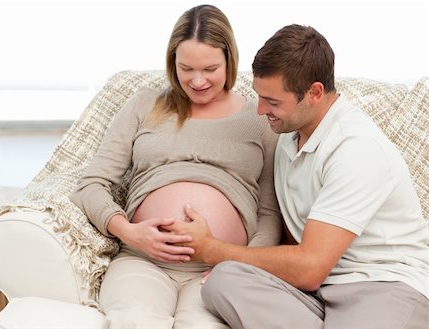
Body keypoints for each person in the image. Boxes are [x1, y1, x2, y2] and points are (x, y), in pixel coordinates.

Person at [170, 24, 429, 329]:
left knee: (229, 265)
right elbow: (293, 242)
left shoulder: (357, 149)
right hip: (317, 292)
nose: (261, 110)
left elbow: (309, 267)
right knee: (223, 282)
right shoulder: (288, 137)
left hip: (380, 286)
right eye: (260, 97)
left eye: (274, 102)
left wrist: (214, 250)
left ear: (314, 93)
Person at [69, 4, 281, 328]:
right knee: (134, 321)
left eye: (210, 69)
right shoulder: (144, 104)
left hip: (221, 269)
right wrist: (129, 232)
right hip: (143, 261)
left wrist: (240, 266)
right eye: (186, 69)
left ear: (229, 60)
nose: (197, 81)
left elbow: (270, 213)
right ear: (172, 63)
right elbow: (92, 183)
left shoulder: (260, 119)